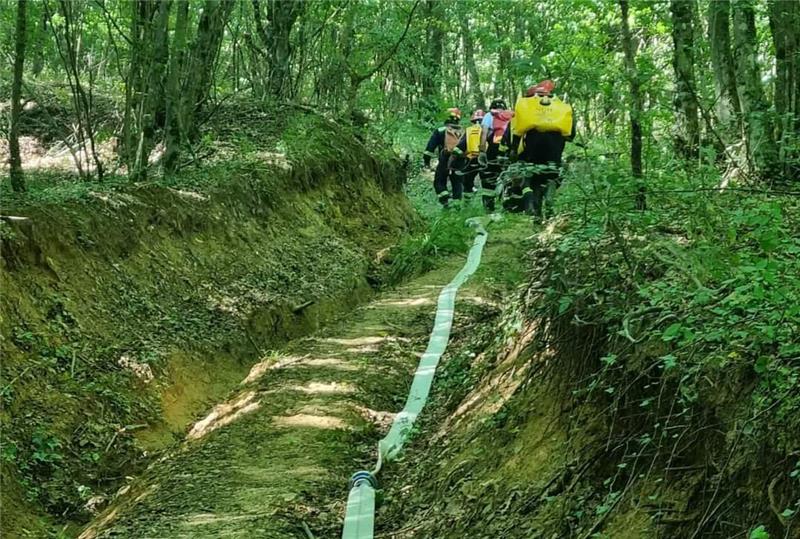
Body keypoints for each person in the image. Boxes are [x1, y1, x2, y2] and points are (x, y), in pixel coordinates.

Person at [510, 80, 575, 220]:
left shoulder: (527, 107)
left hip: (532, 153)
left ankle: (534, 210)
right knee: (551, 177)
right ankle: (549, 206)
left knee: (532, 181)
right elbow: (571, 135)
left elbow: (516, 132)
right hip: (554, 153)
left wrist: (514, 151)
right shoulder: (560, 108)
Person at [478, 98, 514, 211]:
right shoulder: (510, 116)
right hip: (508, 148)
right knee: (509, 175)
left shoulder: (489, 116)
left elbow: (484, 133)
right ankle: (508, 205)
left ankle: (489, 207)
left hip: (493, 149)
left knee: (488, 176)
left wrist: (482, 151)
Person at [423, 108, 464, 207]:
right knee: (457, 183)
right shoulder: (463, 132)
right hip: (460, 161)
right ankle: (457, 206)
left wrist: (426, 162)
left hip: (445, 159)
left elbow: (429, 149)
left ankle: (445, 201)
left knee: (439, 181)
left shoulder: (440, 131)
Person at [449, 109, 485, 202]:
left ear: (473, 121)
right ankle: (489, 206)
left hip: (471, 160)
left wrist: (462, 156)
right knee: (488, 184)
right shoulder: (489, 129)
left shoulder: (469, 131)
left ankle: (467, 203)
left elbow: (458, 148)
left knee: (467, 182)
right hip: (486, 159)